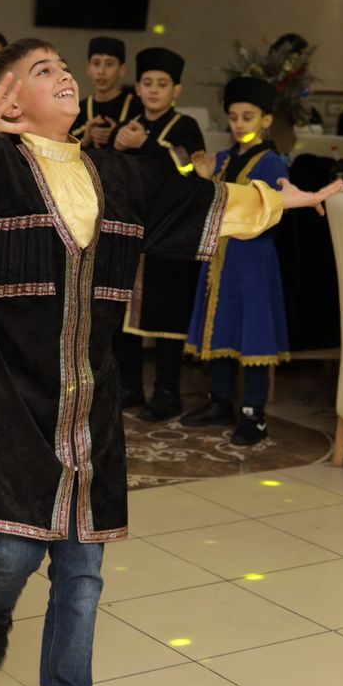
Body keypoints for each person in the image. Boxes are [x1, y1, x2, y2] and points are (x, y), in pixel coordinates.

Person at [0, 40, 342, 686]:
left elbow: (207, 204)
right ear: (10, 98)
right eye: (43, 71)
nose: (65, 75)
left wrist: (281, 202)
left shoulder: (124, 174)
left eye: (65, 67)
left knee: (82, 576)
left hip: (93, 412)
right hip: (11, 401)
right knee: (11, 558)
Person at [182, 76, 290, 445]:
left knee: (253, 331)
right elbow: (208, 205)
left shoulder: (272, 163)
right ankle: (220, 400)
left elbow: (273, 210)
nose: (240, 124)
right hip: (222, 258)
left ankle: (253, 413)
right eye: (233, 117)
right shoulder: (224, 159)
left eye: (248, 117)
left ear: (266, 120)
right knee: (223, 326)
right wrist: (204, 179)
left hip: (253, 260)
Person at [111, 47, 207, 419]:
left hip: (172, 233)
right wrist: (116, 144)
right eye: (147, 83)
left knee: (169, 313)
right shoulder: (130, 123)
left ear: (176, 90)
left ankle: (168, 393)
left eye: (162, 84)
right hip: (134, 231)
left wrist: (145, 146)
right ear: (137, 87)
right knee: (127, 314)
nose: (153, 90)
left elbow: (188, 170)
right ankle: (130, 386)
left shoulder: (185, 126)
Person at [69, 37, 136, 149]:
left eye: (109, 64)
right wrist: (86, 139)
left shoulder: (137, 107)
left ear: (122, 69)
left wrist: (117, 136)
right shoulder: (77, 110)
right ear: (88, 68)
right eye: (96, 63)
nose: (101, 71)